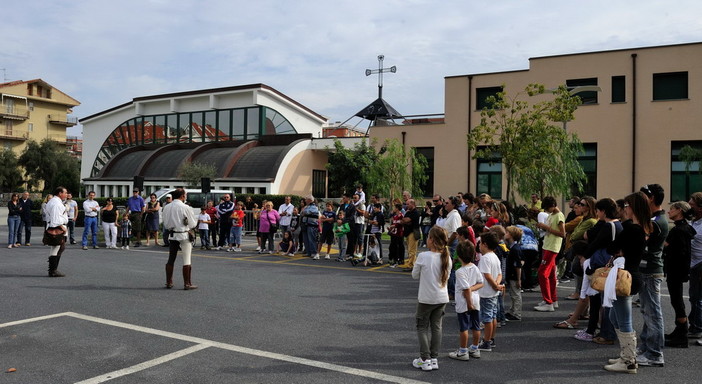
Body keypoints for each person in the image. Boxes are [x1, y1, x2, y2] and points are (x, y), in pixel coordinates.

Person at [603, 191, 651, 374]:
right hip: (631, 274)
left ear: (632, 207)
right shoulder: (643, 227)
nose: (624, 209)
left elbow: (612, 247)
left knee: (623, 320)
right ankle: (626, 354)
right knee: (615, 317)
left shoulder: (632, 228)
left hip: (626, 277)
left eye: (626, 206)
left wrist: (619, 249)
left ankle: (629, 361)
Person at [636, 183, 668, 366]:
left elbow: (641, 241)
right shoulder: (655, 218)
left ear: (652, 198)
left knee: (653, 313)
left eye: (643, 196)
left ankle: (654, 354)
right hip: (648, 270)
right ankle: (647, 347)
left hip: (651, 271)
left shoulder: (656, 221)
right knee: (648, 311)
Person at [411, 226, 451, 371]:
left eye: (428, 237)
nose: (426, 240)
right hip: (442, 297)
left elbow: (414, 275)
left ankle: (424, 358)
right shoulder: (446, 257)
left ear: (432, 240)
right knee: (436, 327)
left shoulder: (423, 256)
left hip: (426, 298)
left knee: (422, 327)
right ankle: (433, 358)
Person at [663, 201, 696, 348]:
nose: (669, 212)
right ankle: (679, 330)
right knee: (676, 301)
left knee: (677, 301)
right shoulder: (683, 228)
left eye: (672, 209)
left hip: (675, 269)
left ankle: (682, 335)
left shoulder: (679, 230)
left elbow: (681, 252)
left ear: (679, 211)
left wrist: (667, 248)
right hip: (678, 269)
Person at [448, 240, 484, 361]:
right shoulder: (474, 267)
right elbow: (481, 283)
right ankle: (475, 348)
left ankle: (463, 351)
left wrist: (469, 303)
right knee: (475, 326)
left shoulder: (460, 272)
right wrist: (472, 289)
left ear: (458, 255)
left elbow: (466, 289)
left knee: (463, 327)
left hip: (465, 303)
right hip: (476, 300)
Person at [162, 188, 198, 290]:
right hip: (183, 234)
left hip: (173, 234)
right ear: (182, 196)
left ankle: (169, 282)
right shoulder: (186, 207)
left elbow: (165, 223)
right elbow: (193, 223)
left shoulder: (167, 207)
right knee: (186, 259)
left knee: (171, 259)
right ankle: (187, 283)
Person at [534, 196, 565, 312]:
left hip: (552, 247)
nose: (546, 211)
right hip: (547, 245)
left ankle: (548, 302)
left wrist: (546, 227)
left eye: (547, 208)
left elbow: (563, 234)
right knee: (551, 275)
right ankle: (553, 299)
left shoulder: (559, 215)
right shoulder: (552, 215)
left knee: (542, 273)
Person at [476, 231, 504, 352]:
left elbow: (487, 275)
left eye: (480, 243)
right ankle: (491, 339)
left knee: (487, 318)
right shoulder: (495, 256)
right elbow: (499, 273)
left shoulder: (485, 258)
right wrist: (497, 284)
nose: (479, 245)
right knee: (493, 316)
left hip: (486, 292)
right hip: (493, 292)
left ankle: (486, 342)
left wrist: (494, 285)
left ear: (485, 244)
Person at [688, 192, 702, 346]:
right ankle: (695, 326)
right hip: (693, 264)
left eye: (692, 205)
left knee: (698, 298)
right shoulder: (693, 222)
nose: (689, 207)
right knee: (694, 297)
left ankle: (698, 327)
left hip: (700, 264)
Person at [45, 187, 69, 277]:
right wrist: (62, 227)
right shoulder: (55, 203)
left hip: (56, 226)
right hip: (57, 227)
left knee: (60, 247)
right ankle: (53, 270)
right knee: (56, 247)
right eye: (65, 193)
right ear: (60, 193)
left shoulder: (55, 202)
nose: (66, 194)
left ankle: (53, 268)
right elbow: (55, 218)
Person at [504, 225, 523, 321]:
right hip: (512, 274)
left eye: (507, 233)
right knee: (513, 293)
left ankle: (517, 313)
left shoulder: (515, 249)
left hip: (515, 276)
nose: (505, 234)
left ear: (511, 235)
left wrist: (519, 279)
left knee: (516, 294)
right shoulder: (512, 247)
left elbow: (518, 265)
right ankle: (512, 311)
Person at [401, 199, 420, 271]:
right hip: (407, 232)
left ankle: (411, 265)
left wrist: (405, 221)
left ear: (413, 204)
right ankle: (412, 263)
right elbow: (402, 221)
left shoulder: (415, 212)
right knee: (409, 250)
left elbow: (405, 220)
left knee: (412, 250)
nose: (407, 206)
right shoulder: (408, 212)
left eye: (408, 204)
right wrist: (405, 221)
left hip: (413, 232)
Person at [300, 195, 320, 259]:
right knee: (306, 240)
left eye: (306, 199)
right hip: (305, 225)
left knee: (312, 239)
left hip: (311, 225)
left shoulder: (314, 207)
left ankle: (313, 252)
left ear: (310, 200)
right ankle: (308, 252)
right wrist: (304, 212)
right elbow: (302, 213)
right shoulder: (307, 206)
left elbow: (306, 212)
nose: (305, 200)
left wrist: (304, 212)